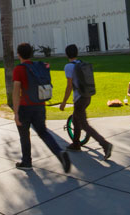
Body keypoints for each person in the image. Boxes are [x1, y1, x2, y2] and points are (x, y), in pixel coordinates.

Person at [12, 42, 71, 172]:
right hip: (40, 106)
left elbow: (16, 92)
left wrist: (16, 112)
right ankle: (59, 153)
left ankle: (26, 162)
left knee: (24, 135)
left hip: (25, 107)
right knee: (43, 132)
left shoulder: (19, 69)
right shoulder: (38, 67)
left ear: (19, 54)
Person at [59, 44, 113, 159]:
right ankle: (76, 144)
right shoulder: (81, 63)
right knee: (75, 119)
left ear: (67, 54)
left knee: (84, 125)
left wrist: (64, 102)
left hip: (79, 98)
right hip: (87, 96)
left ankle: (105, 144)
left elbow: (69, 86)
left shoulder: (68, 66)